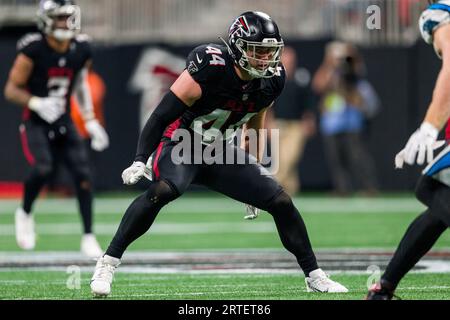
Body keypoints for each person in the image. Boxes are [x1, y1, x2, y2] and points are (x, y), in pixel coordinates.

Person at [89, 11, 348, 297]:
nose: (265, 58)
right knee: (163, 191)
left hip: (219, 150)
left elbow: (255, 121)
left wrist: (257, 167)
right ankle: (108, 262)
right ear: (238, 47)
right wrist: (140, 158)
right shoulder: (210, 66)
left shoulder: (272, 79)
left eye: (269, 51)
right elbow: (161, 115)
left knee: (281, 201)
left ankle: (314, 275)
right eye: (257, 51)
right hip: (181, 142)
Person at [3, 0, 109, 258]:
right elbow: (11, 89)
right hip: (36, 120)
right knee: (43, 168)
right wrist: (35, 102)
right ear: (46, 20)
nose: (64, 23)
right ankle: (25, 212)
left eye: (67, 17)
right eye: (59, 18)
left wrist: (90, 118)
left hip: (63, 119)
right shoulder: (33, 49)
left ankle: (88, 236)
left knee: (84, 175)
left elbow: (81, 83)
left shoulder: (81, 47)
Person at [366, 0, 450, 300]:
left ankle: (384, 287)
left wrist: (430, 126)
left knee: (435, 194)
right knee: (439, 199)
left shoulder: (440, 14)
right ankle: (384, 287)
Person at [312, 41, 380, 195]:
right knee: (336, 159)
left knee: (358, 156)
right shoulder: (330, 72)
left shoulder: (353, 68)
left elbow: (357, 74)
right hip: (332, 123)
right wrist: (328, 62)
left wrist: (349, 57)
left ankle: (369, 187)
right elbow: (318, 85)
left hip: (352, 122)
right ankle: (342, 189)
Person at [268, 46, 316, 195]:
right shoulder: (273, 78)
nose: (289, 62)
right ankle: (289, 192)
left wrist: (309, 121)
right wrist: (267, 122)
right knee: (281, 160)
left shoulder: (301, 78)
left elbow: (309, 103)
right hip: (277, 124)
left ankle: (270, 189)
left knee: (288, 158)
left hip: (296, 126)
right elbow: (267, 104)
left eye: (291, 59)